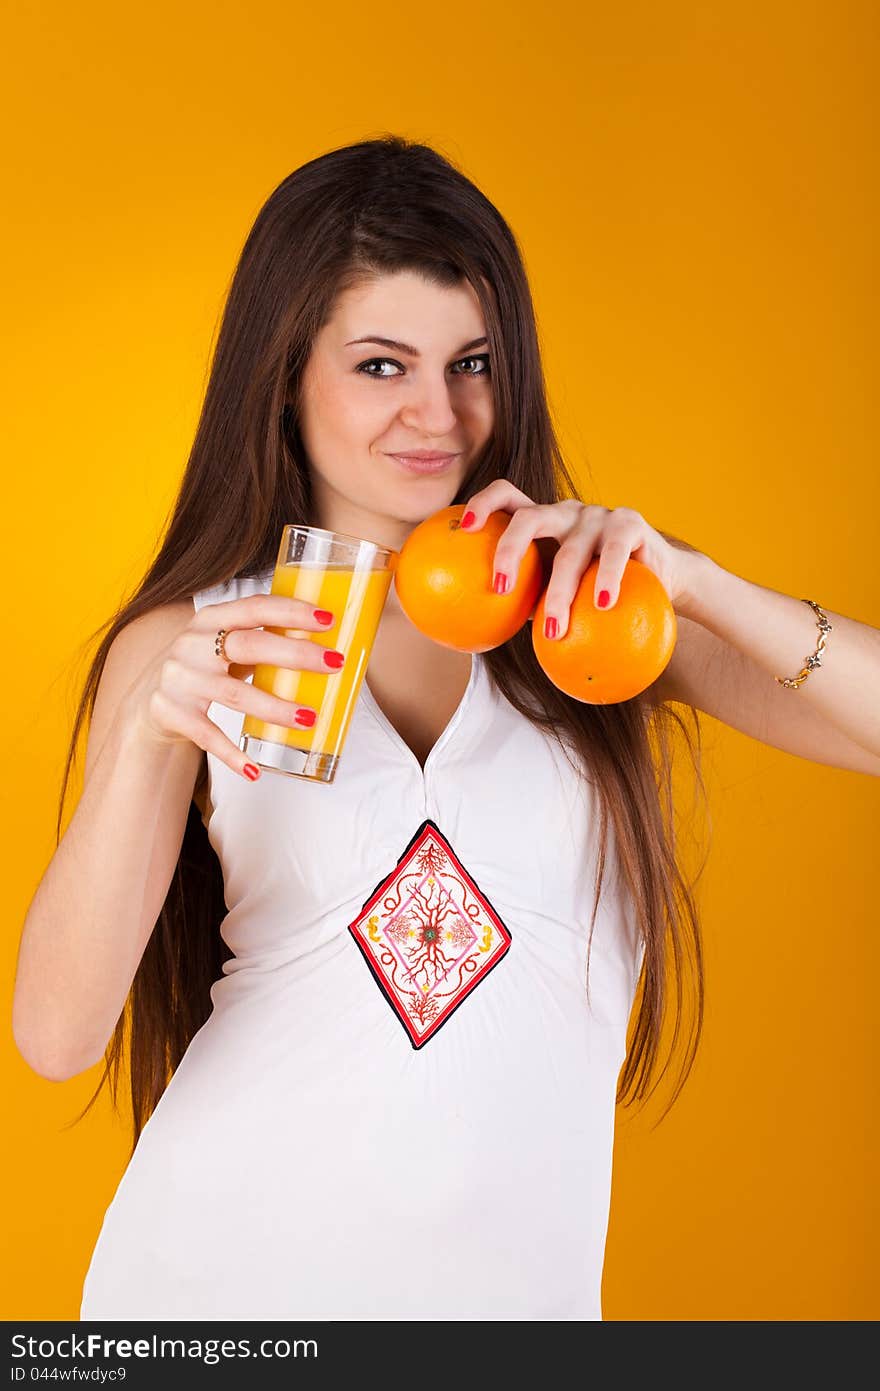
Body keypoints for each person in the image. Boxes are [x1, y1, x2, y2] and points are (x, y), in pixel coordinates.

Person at [12, 135, 879, 1323]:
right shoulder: (195, 641)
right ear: (283, 376)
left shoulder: (591, 614)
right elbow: (58, 1035)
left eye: (471, 361)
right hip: (215, 1290)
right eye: (380, 364)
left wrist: (696, 581)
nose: (438, 414)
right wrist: (156, 738)